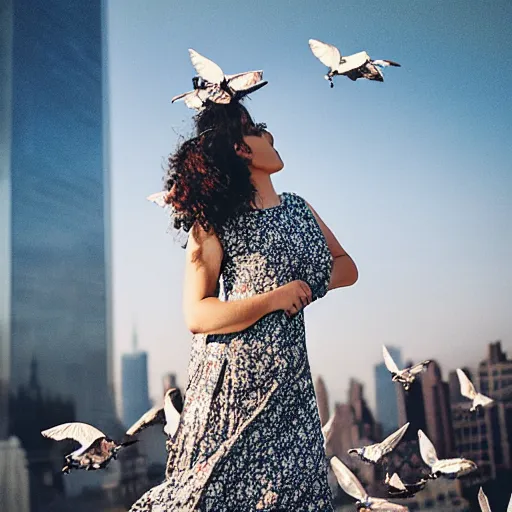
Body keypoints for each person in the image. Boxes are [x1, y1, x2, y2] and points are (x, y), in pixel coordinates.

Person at [130, 99, 358, 511]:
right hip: (229, 393)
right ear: (241, 148)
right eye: (258, 129)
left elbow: (347, 267)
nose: (270, 136)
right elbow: (196, 314)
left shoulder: (300, 210)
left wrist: (306, 286)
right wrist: (274, 298)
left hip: (289, 392)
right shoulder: (213, 221)